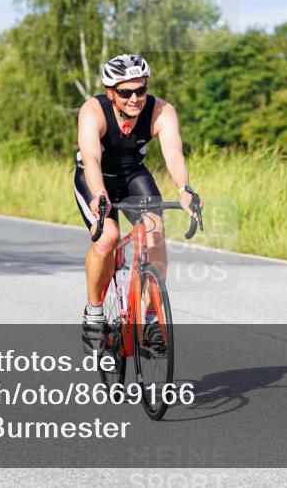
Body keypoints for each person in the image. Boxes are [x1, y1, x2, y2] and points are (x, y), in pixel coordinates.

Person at [73, 54, 201, 351]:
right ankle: (93, 312)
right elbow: (91, 158)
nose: (134, 98)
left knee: (155, 235)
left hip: (133, 176)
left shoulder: (162, 111)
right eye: (125, 92)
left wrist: (184, 188)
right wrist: (99, 195)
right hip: (95, 178)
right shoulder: (93, 111)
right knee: (108, 238)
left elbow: (173, 155)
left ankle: (153, 319)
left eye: (140, 90)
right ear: (110, 92)